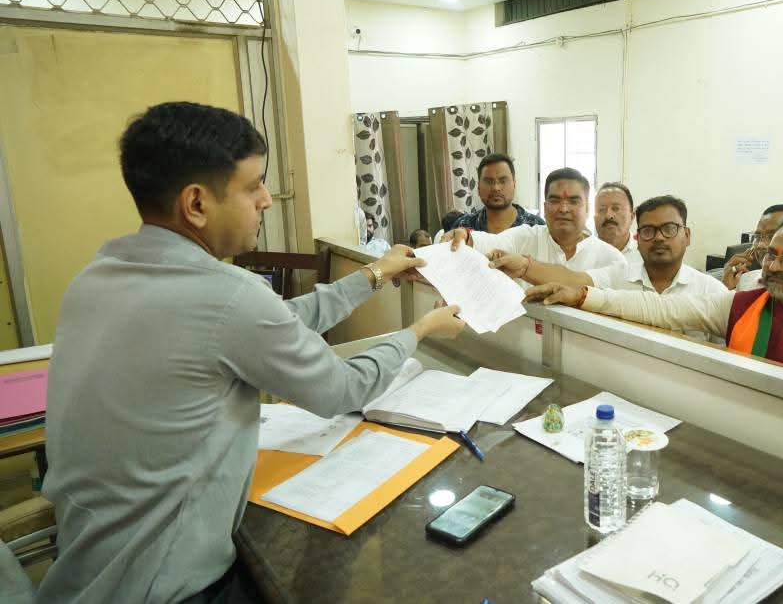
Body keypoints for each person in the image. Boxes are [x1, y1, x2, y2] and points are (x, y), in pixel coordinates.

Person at [38, 102, 466, 603]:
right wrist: (420, 329)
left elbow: (272, 322)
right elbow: (343, 390)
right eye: (253, 186)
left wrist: (374, 274)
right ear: (196, 203)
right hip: (166, 586)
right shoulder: (228, 296)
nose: (266, 200)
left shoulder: (96, 277)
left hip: (84, 571)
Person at [526, 214, 783, 391]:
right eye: (771, 254)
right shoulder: (738, 306)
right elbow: (658, 309)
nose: (773, 267)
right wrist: (581, 296)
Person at [488, 195, 727, 342]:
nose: (659, 237)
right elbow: (573, 280)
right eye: (648, 231)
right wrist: (525, 267)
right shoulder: (619, 274)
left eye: (669, 229)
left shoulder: (712, 292)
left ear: (687, 235)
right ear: (637, 238)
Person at [444, 167, 624, 272]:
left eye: (573, 201)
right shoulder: (526, 237)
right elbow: (491, 242)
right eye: (555, 200)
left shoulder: (611, 259)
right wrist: (465, 236)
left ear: (588, 208)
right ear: (544, 208)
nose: (563, 209)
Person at [452, 153, 545, 234]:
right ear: (478, 187)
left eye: (503, 181)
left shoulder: (536, 227)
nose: (496, 188)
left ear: (514, 184)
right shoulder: (463, 226)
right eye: (488, 181)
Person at [594, 182, 639, 266]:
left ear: (632, 216)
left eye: (616, 208)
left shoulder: (644, 254)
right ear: (594, 218)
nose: (608, 215)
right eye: (602, 209)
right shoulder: (582, 254)